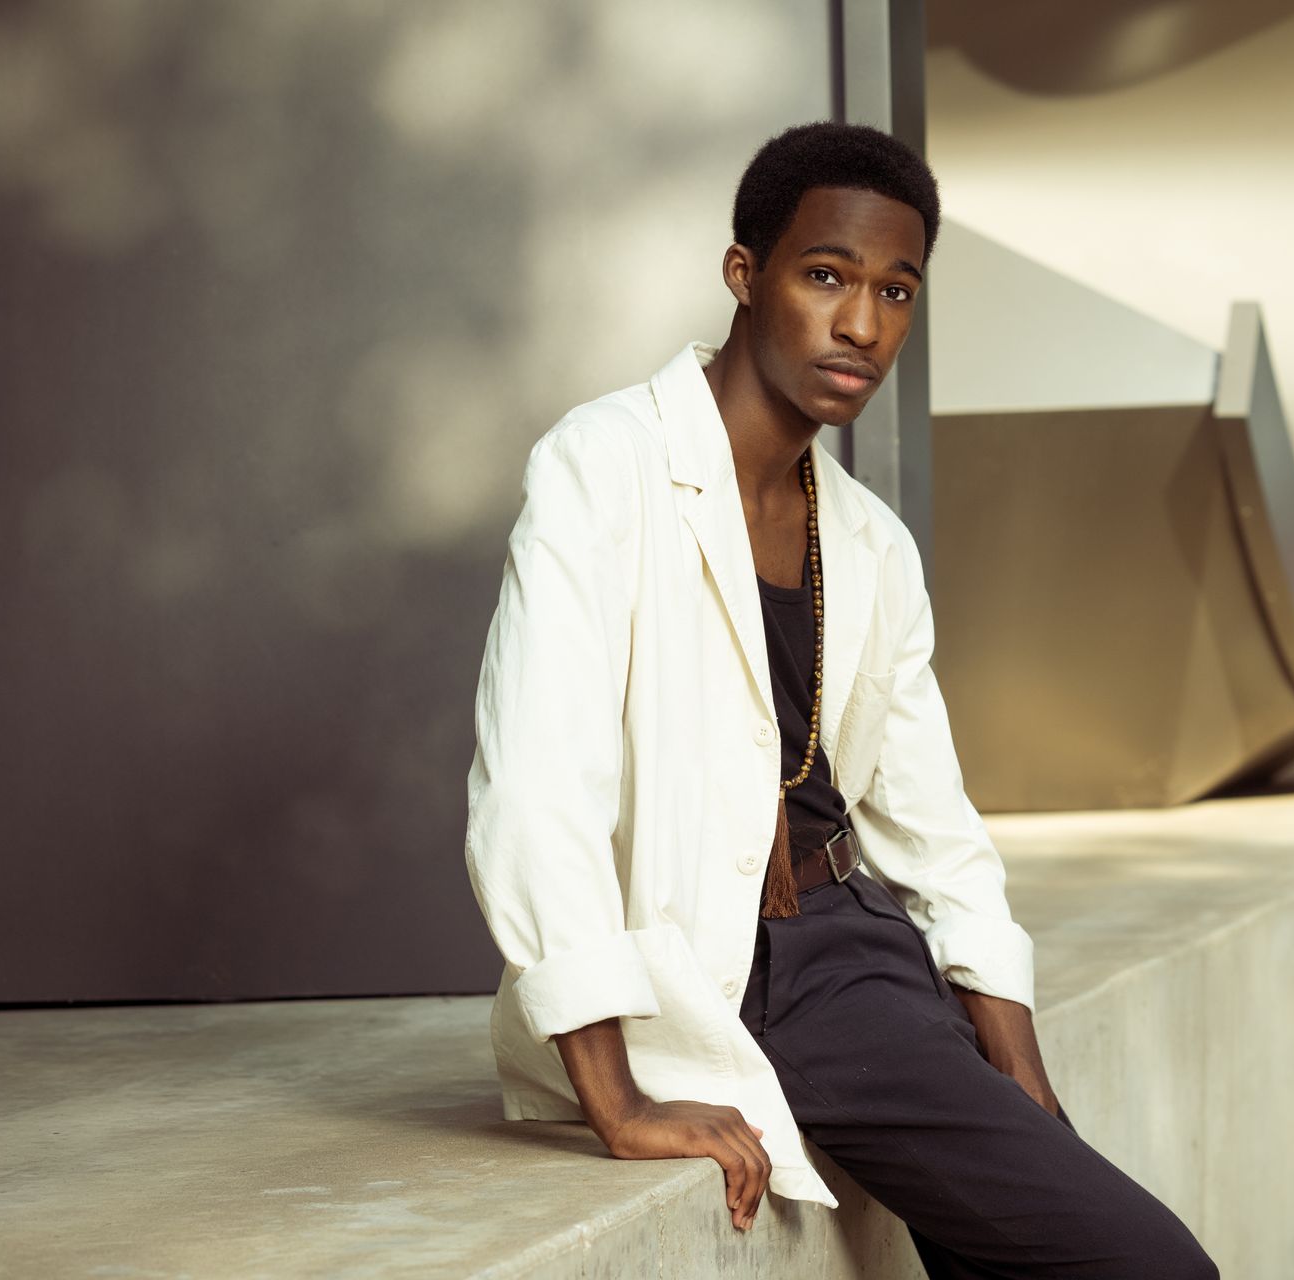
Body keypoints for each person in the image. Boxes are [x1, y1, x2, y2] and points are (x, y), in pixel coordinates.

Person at [464, 119, 1218, 1279]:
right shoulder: (601, 465)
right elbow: (534, 787)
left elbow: (936, 830)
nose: (864, 324)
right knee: (1154, 1268)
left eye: (897, 290)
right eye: (827, 275)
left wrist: (1024, 1090)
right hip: (725, 958)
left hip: (857, 951)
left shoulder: (870, 544)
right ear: (744, 273)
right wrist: (613, 1097)